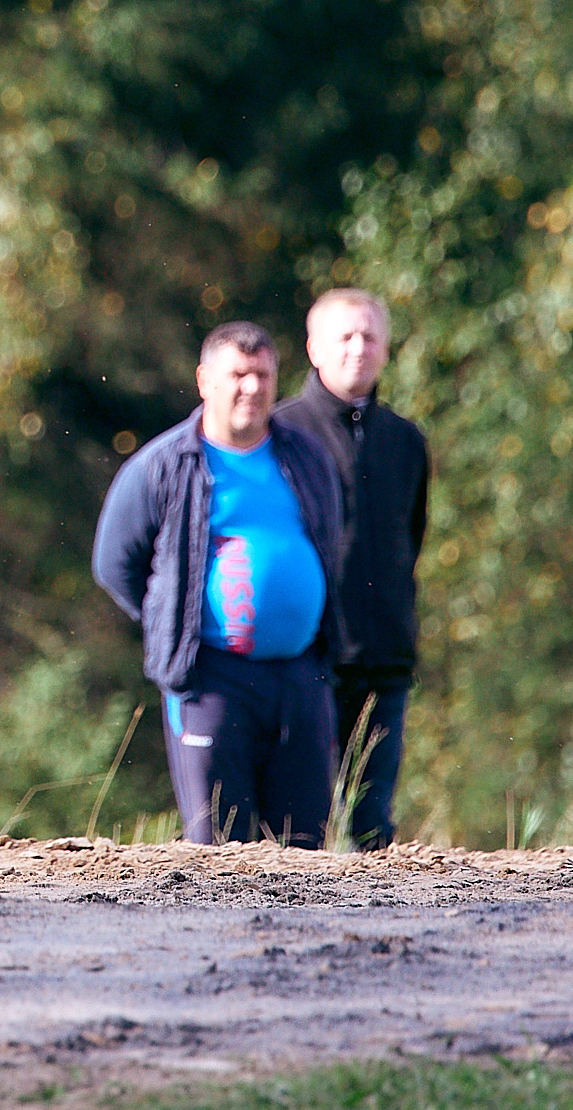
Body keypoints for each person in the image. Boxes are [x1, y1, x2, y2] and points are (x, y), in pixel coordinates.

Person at [93, 322, 346, 847]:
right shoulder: (163, 466)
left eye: (263, 376)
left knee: (306, 849)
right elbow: (115, 564)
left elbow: (330, 542)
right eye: (238, 375)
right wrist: (173, 621)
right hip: (210, 680)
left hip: (301, 676)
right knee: (218, 849)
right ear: (205, 381)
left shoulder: (306, 457)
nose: (252, 388)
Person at [275, 289, 430, 850]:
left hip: (384, 659)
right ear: (314, 348)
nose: (358, 348)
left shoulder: (405, 441)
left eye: (370, 336)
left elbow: (410, 539)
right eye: (344, 336)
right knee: (298, 833)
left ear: (386, 349)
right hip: (304, 661)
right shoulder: (281, 435)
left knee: (373, 831)